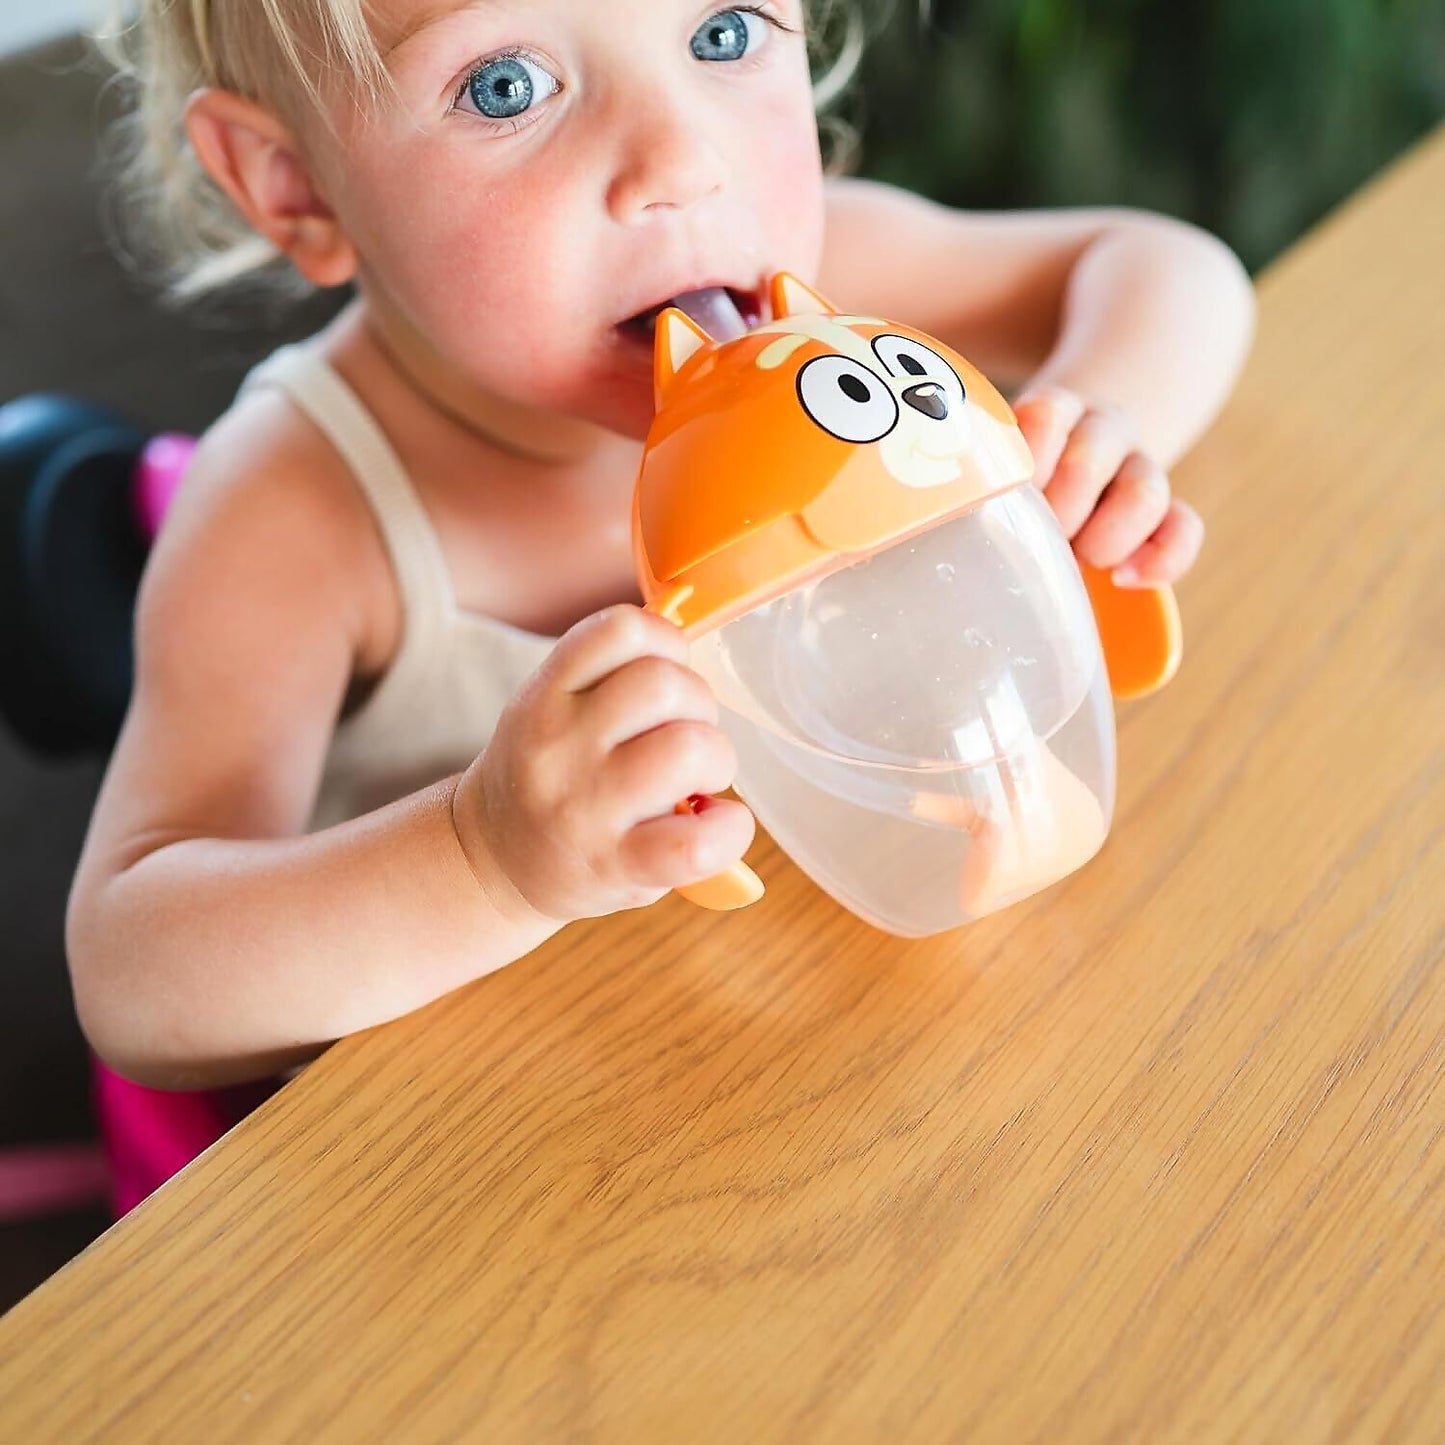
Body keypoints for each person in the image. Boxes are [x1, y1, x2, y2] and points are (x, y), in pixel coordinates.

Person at [67, 0, 1255, 1206]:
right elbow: (131, 974)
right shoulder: (296, 513)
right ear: (293, 185)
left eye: (724, 33)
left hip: (834, 1079)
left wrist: (1083, 426)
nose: (683, 161)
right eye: (504, 88)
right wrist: (485, 859)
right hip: (496, 1176)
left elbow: (1165, 267)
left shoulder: (827, 298)